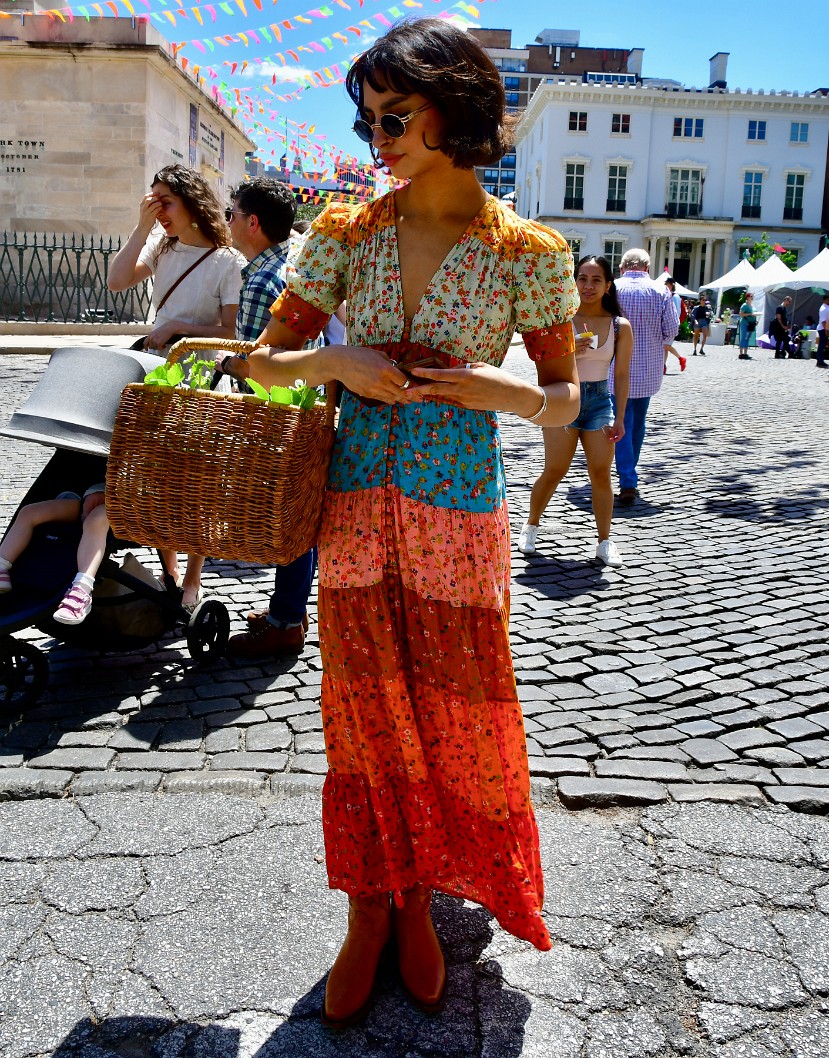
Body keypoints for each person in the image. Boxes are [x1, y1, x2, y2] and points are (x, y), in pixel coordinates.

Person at [246, 17, 580, 1028]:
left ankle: (423, 898)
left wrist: (500, 389)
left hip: (458, 518)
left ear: (454, 109)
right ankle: (367, 907)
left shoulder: (527, 250)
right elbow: (259, 363)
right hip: (352, 514)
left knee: (448, 718)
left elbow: (566, 400)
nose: (374, 135)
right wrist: (334, 364)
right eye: (366, 118)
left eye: (394, 114)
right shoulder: (349, 232)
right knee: (362, 719)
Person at [107, 165, 245, 610]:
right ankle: (167, 573)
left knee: (200, 484)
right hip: (160, 376)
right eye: (153, 201)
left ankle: (192, 579)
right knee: (156, 479)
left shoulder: (228, 261)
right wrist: (142, 225)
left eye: (165, 201)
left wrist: (181, 328)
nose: (159, 210)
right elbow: (117, 281)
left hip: (204, 382)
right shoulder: (162, 248)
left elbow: (231, 331)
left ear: (191, 202)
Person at [213, 178, 317, 657]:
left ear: (253, 223)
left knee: (286, 517)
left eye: (232, 214)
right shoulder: (288, 265)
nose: (228, 222)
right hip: (300, 410)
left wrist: (228, 365)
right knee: (299, 515)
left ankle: (286, 621)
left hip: (273, 416)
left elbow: (260, 363)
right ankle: (289, 607)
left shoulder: (260, 279)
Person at [519, 255, 632, 566]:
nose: (588, 286)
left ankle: (605, 541)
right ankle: (531, 525)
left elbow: (621, 375)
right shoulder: (562, 320)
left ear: (608, 285)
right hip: (565, 396)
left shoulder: (619, 326)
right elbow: (543, 364)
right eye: (582, 278)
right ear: (574, 282)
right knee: (555, 469)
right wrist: (569, 351)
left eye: (596, 280)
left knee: (601, 473)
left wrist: (621, 417)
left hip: (599, 401)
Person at [610, 248, 678, 506]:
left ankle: (628, 479)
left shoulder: (613, 289)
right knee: (638, 423)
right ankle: (629, 474)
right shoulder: (661, 291)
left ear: (622, 266)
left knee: (621, 422)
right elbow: (671, 330)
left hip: (615, 368)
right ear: (648, 267)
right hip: (648, 369)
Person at [0, 485, 110, 625]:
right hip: (100, 493)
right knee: (29, 512)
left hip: (129, 502)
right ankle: (1, 566)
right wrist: (96, 492)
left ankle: (82, 590)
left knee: (96, 520)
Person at [662, 279, 687, 372]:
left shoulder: (675, 296)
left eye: (666, 284)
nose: (665, 285)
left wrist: (674, 324)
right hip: (667, 324)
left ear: (671, 285)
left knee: (665, 345)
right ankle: (663, 366)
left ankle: (681, 358)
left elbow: (676, 311)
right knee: (665, 346)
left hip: (671, 324)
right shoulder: (668, 295)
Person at [738, 291, 757, 360]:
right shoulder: (744, 305)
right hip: (745, 322)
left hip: (751, 323)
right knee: (744, 337)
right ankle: (740, 353)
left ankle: (745, 353)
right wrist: (749, 314)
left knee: (748, 338)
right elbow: (741, 314)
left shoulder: (752, 306)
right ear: (747, 297)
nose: (752, 298)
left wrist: (755, 320)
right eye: (751, 296)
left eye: (752, 296)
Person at [816, 293, 829, 368]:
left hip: (825, 328)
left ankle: (821, 360)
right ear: (825, 300)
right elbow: (823, 321)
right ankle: (819, 361)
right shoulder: (823, 309)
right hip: (823, 329)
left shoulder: (827, 307)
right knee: (821, 345)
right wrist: (826, 330)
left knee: (823, 345)